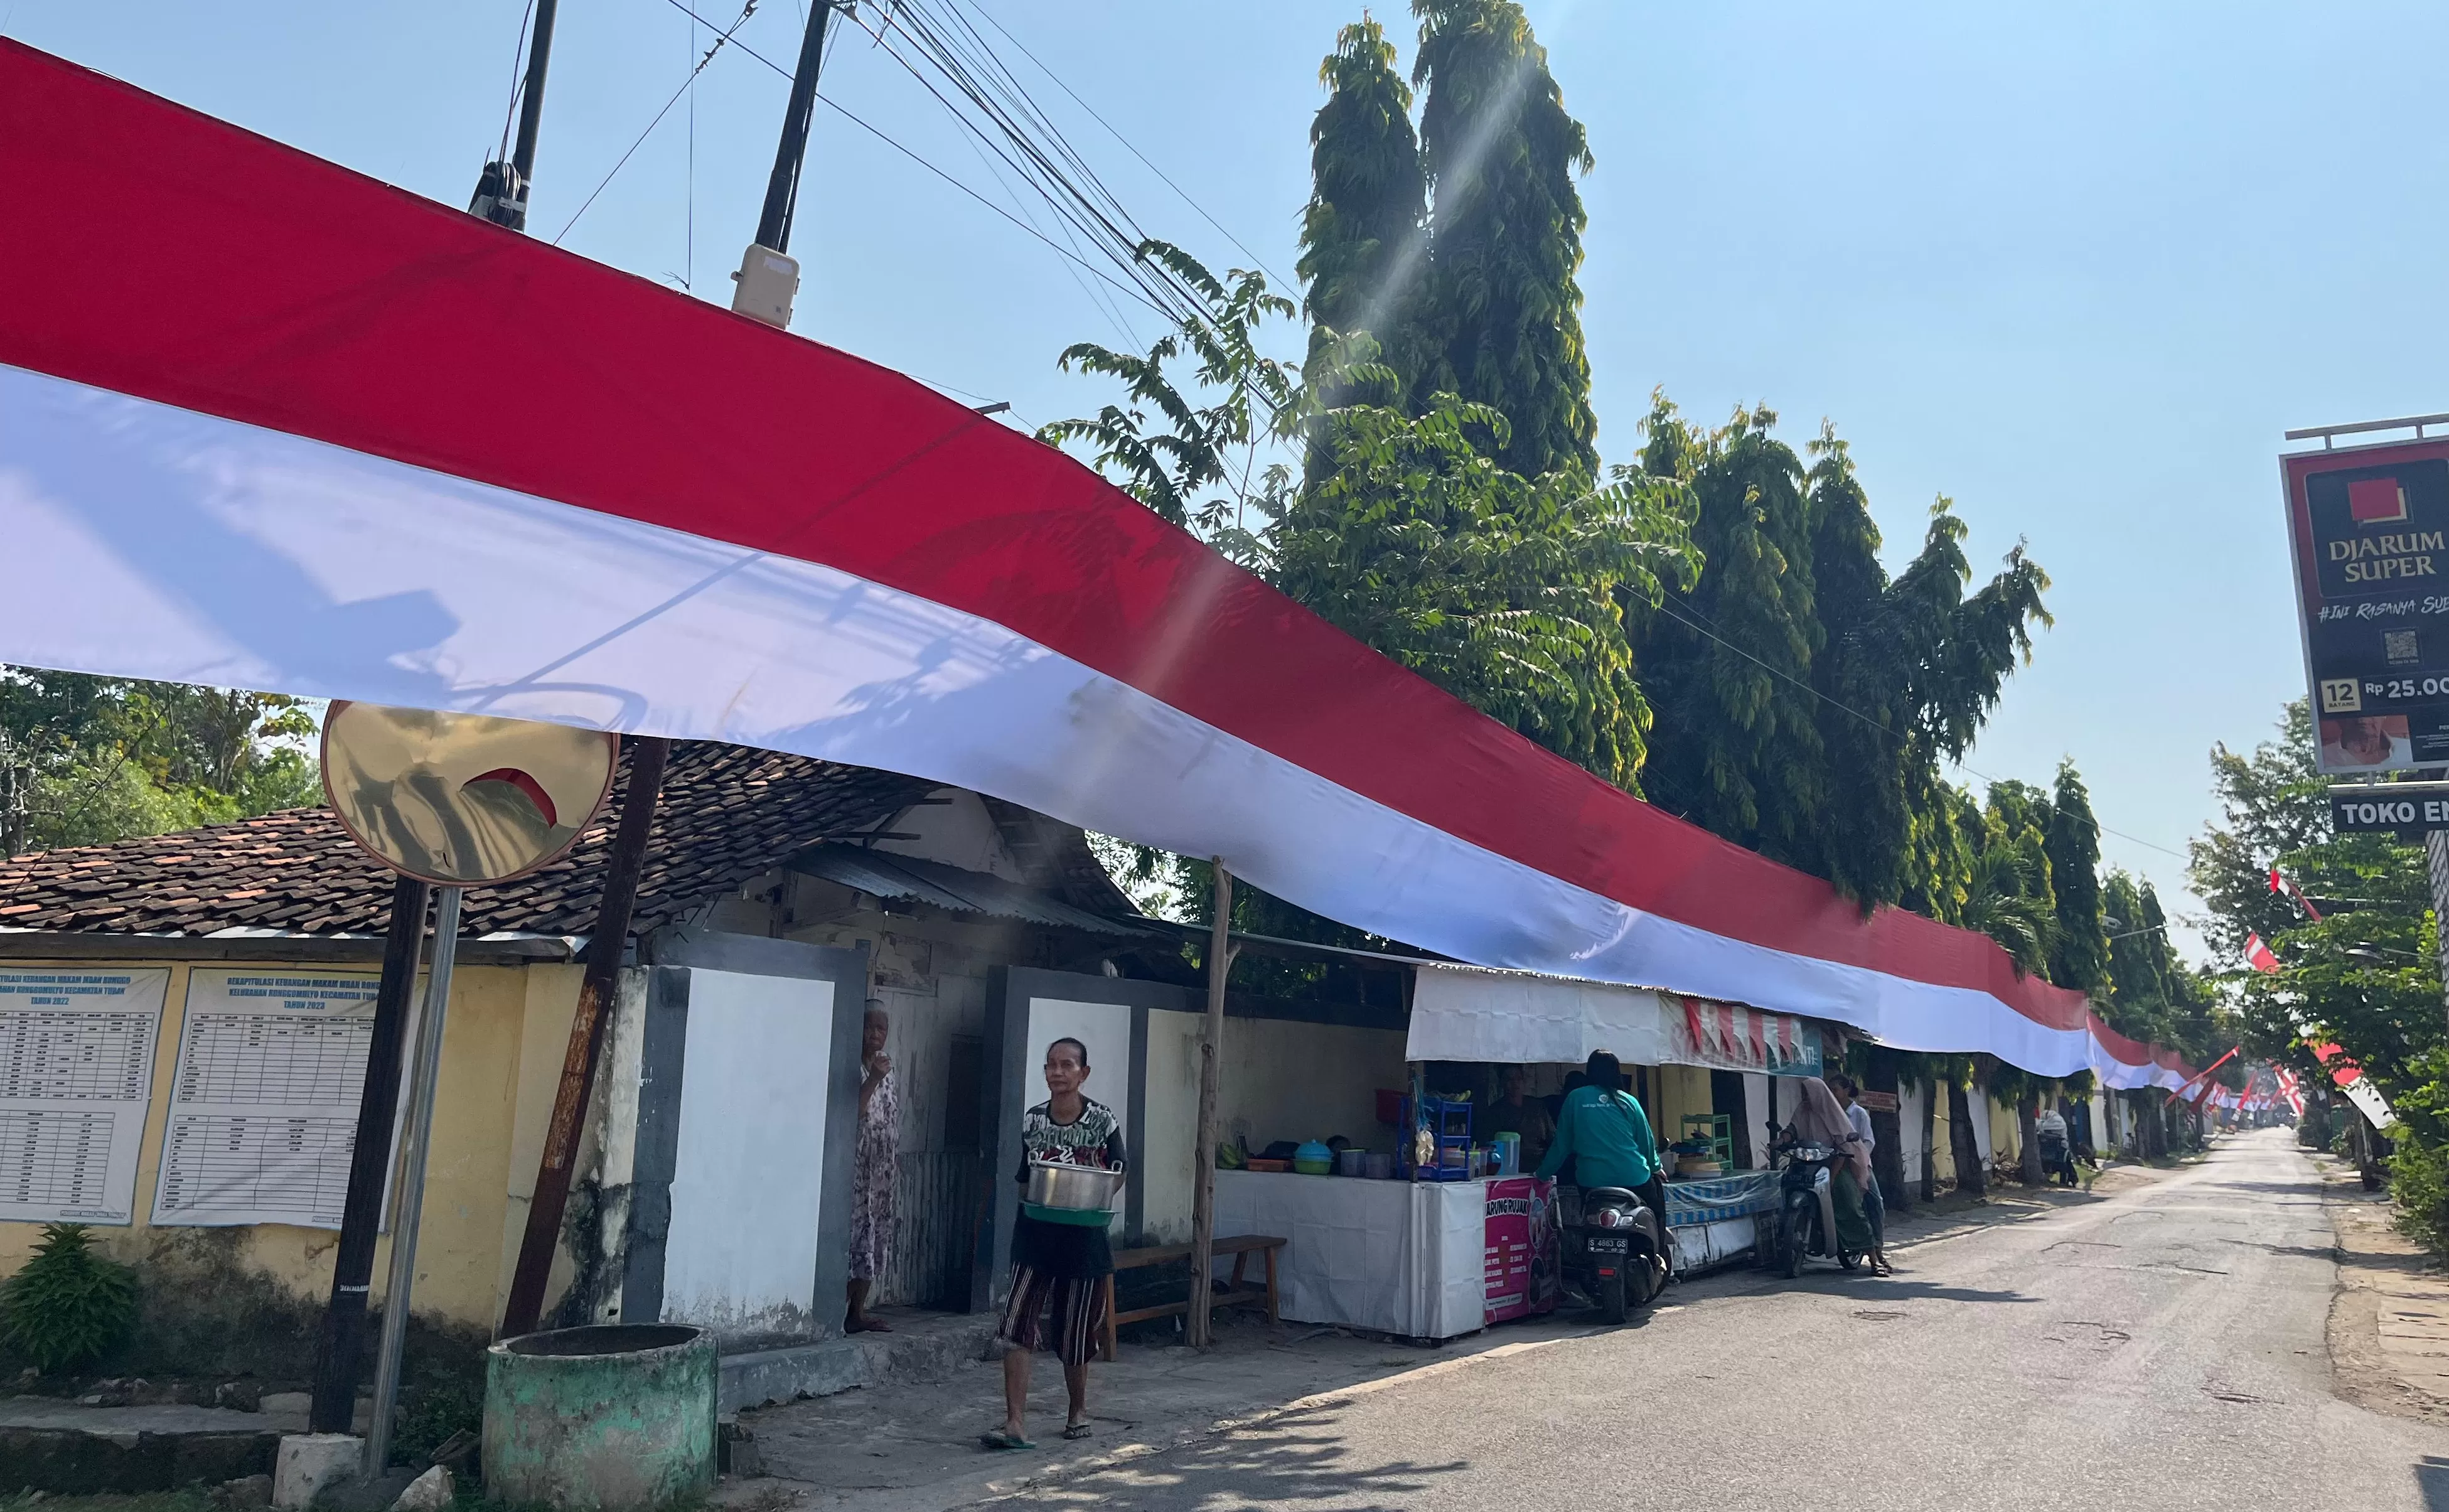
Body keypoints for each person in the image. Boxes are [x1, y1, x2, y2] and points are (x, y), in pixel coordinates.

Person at [983, 1036, 1126, 1451]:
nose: (1057, 1072)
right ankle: (1014, 1422)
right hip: (1035, 1236)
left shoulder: (1103, 1119)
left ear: (1084, 1073)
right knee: (1014, 1324)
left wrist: (1095, 1199)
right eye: (1050, 1065)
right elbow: (1025, 1178)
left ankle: (1077, 1410)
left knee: (1076, 1330)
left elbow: (1119, 1170)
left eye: (1066, 1065)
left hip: (1085, 1239)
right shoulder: (1033, 1120)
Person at [1535, 1051, 1669, 1280]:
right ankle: (1657, 1254)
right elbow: (1646, 1145)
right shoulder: (1629, 1101)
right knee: (1656, 1203)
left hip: (1592, 1182)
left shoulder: (1576, 1099)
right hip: (1634, 1178)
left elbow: (1561, 1146)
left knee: (1590, 1221)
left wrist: (1541, 1175)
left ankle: (1590, 1256)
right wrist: (1655, 1166)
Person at [846, 1004, 898, 1332]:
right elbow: (854, 1112)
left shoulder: (888, 1068)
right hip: (854, 1172)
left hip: (881, 1173)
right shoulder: (852, 1065)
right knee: (852, 1239)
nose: (876, 1034)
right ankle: (839, 1311)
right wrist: (874, 1078)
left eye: (881, 1028)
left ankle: (858, 1313)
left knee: (875, 1236)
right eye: (870, 1027)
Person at [1785, 1075, 1875, 1258]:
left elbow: (1844, 1144)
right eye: (1803, 1092)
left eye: (1808, 1093)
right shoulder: (1803, 1110)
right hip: (1808, 1162)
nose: (1805, 1096)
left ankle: (1873, 1255)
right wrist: (1781, 1139)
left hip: (1838, 1164)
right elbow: (1792, 1129)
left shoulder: (1833, 1112)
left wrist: (1833, 1178)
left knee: (1849, 1202)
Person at [1830, 1075, 1893, 1277]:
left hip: (1860, 1165)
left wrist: (1859, 1161)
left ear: (1847, 1091)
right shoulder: (1830, 1113)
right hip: (1837, 1164)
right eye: (1830, 1090)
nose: (1833, 1094)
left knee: (1876, 1204)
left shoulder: (1859, 1114)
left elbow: (1869, 1142)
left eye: (1836, 1090)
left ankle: (1878, 1250)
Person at [1483, 1065, 1558, 1171]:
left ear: (1524, 1082)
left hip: (1539, 1166)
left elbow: (1553, 1139)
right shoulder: (1495, 1111)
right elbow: (1489, 1144)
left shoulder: (1538, 1107)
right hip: (1508, 1168)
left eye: (1519, 1079)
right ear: (1502, 1083)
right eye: (1509, 1079)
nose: (1515, 1084)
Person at [2035, 1102, 2076, 1188]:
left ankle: (2071, 1178)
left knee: (2066, 1162)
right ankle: (2072, 1178)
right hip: (2049, 1148)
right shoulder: (2047, 1123)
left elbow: (2041, 1127)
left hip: (2060, 1147)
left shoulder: (2058, 1122)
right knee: (2067, 1163)